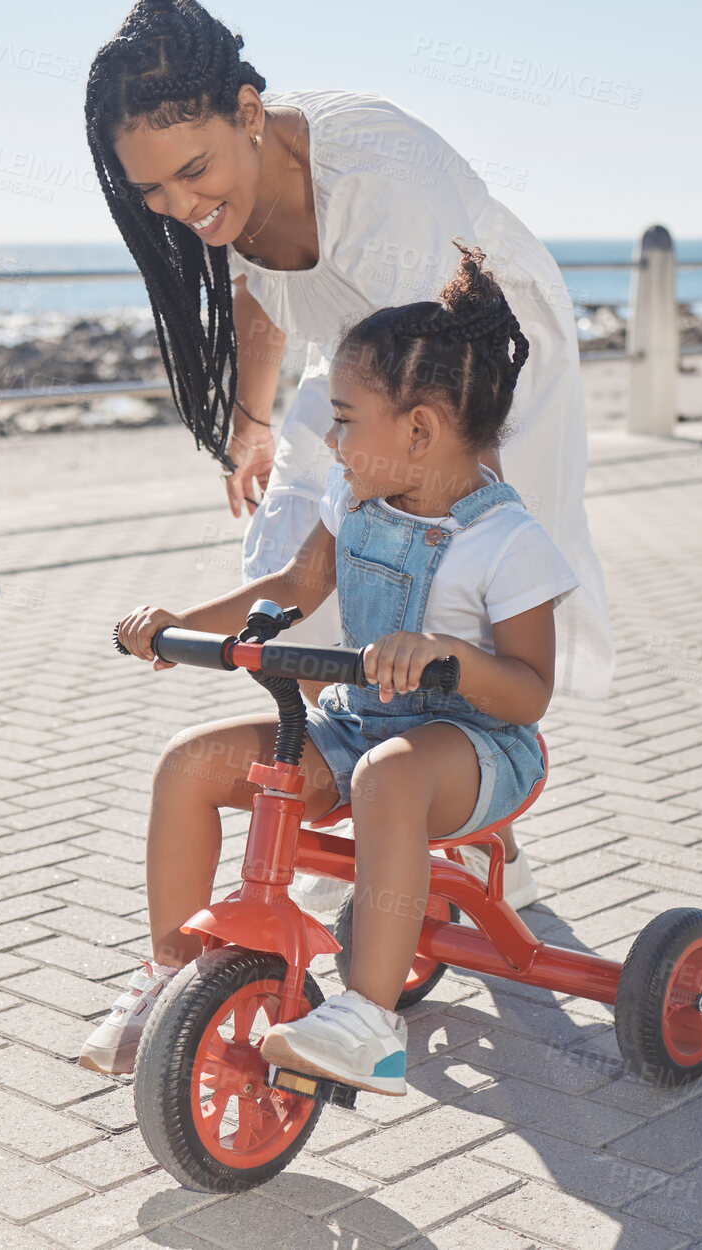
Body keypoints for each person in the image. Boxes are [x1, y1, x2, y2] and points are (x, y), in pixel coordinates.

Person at [85, 0, 613, 910]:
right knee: (305, 568)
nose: (181, 208)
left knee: (453, 584)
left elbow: (440, 372)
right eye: (153, 194)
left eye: (193, 173)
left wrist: (383, 491)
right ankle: (382, 796)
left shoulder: (379, 182)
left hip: (476, 363)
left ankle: (470, 825)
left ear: (250, 113)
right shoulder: (230, 190)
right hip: (362, 372)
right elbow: (254, 285)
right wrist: (251, 425)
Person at [80, 245, 578, 1094]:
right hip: (364, 726)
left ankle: (369, 1024)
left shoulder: (507, 542)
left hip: (481, 749)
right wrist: (178, 626)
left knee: (389, 775)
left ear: (418, 431)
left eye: (346, 419)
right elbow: (291, 586)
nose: (329, 437)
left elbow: (531, 692)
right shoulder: (353, 502)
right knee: (189, 764)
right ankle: (168, 978)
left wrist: (448, 660)